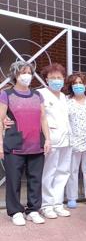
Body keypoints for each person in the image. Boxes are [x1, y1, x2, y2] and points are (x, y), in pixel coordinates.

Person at [0, 61, 51, 226]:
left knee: (35, 178)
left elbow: (43, 118)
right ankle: (15, 212)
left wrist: (48, 139)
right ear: (15, 74)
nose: (27, 75)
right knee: (13, 179)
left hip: (36, 143)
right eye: (23, 72)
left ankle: (33, 210)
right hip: (14, 144)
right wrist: (0, 143)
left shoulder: (37, 95)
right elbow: (0, 119)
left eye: (29, 72)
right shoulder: (6, 94)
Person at [38, 63, 72, 219]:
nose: (57, 81)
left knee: (63, 172)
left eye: (59, 78)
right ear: (46, 79)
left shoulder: (64, 97)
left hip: (66, 139)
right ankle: (46, 205)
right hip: (51, 139)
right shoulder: (40, 94)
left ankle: (57, 203)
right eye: (53, 78)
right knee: (49, 172)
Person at [65, 72, 86, 208]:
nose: (78, 85)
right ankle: (72, 197)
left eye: (80, 83)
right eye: (75, 83)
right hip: (72, 141)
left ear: (85, 85)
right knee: (72, 170)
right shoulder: (67, 101)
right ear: (71, 86)